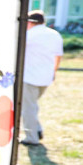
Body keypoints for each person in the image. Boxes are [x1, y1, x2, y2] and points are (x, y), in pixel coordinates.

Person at [20, 9, 63, 146]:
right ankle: (37, 129)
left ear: (30, 22)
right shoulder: (55, 34)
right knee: (31, 106)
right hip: (45, 77)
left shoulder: (28, 35)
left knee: (28, 108)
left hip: (29, 76)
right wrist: (54, 71)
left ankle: (32, 137)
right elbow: (58, 56)